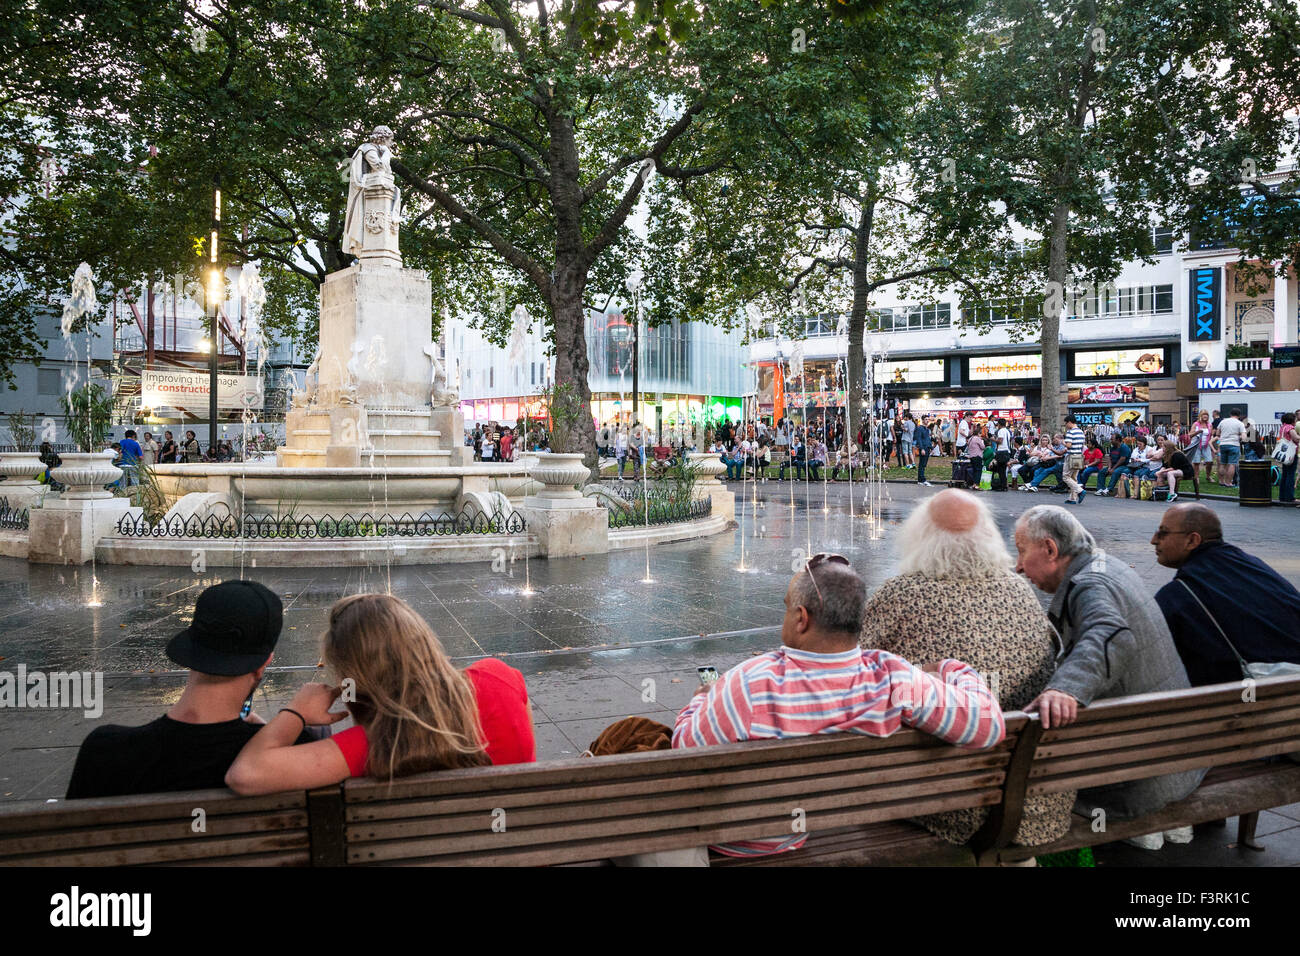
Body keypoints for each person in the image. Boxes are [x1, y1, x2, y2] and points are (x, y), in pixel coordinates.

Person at [673, 557, 1004, 857]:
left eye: (787, 607)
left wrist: (701, 698)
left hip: (735, 841)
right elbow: (989, 726)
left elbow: (684, 754)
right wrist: (952, 669)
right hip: (798, 833)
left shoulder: (750, 685)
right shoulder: (893, 678)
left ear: (802, 619)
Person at [860, 490, 1074, 849]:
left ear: (919, 537)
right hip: (1037, 799)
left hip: (951, 804)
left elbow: (858, 678)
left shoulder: (900, 595)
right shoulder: (1020, 591)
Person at [1014, 505, 1205, 847]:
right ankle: (1165, 822)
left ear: (1050, 549)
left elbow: (1108, 634)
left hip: (1137, 781)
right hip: (1179, 759)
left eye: (1021, 551)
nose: (1017, 565)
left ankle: (1143, 822)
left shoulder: (1090, 584)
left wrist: (1065, 690)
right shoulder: (1106, 564)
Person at [226, 593, 535, 794]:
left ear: (355, 678)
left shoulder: (371, 747)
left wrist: (295, 712)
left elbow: (244, 774)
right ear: (421, 638)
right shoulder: (499, 678)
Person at [66, 581, 312, 799]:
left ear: (190, 648)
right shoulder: (292, 753)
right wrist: (268, 732)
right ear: (263, 664)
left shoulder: (105, 750)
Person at [1151, 503, 1300, 686]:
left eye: (1163, 533)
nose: (1154, 540)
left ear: (1192, 541)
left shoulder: (1177, 596)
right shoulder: (1253, 566)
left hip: (1249, 702)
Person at [1213, 409, 1245, 488]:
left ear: (1230, 414)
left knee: (1222, 464)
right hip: (1234, 444)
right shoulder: (1240, 423)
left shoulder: (1223, 422)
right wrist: (1239, 437)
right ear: (1239, 415)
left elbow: (1217, 433)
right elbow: (1244, 437)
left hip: (1223, 444)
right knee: (1232, 464)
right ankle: (1228, 482)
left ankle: (1221, 481)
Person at [1277, 412, 1298, 505]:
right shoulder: (1290, 428)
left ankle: (1282, 496)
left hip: (1284, 453)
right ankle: (1290, 497)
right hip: (1291, 454)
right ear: (1292, 420)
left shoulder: (1283, 427)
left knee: (1285, 474)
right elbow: (1296, 438)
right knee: (1290, 474)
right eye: (1295, 419)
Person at [913, 416, 934, 486]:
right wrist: (921, 448)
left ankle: (920, 480)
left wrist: (931, 447)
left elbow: (928, 439)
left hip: (927, 447)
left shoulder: (927, 429)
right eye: (926, 419)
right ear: (922, 420)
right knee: (922, 464)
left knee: (923, 464)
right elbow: (919, 439)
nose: (927, 421)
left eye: (928, 419)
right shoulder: (920, 428)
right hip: (923, 448)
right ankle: (922, 479)